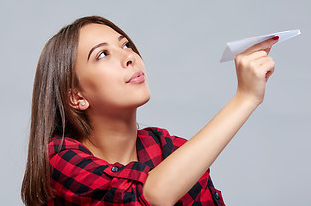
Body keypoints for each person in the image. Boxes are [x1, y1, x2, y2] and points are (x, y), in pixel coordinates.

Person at [21, 16, 278, 206]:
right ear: (77, 97)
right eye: (102, 55)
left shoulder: (169, 151)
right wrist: (245, 99)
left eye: (125, 45)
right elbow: (147, 196)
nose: (129, 56)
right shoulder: (60, 159)